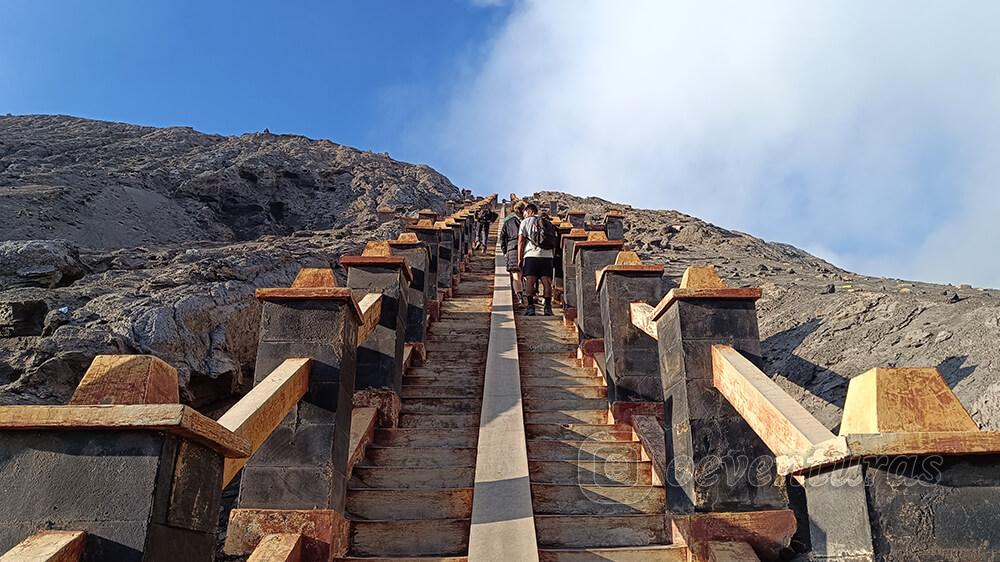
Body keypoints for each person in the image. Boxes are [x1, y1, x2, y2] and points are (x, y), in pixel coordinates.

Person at [517, 203, 555, 316]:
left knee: (530, 281)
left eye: (524, 213)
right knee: (546, 282)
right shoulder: (548, 223)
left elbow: (521, 241)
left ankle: (530, 307)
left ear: (529, 211)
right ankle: (547, 308)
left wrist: (520, 258)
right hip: (547, 256)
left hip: (531, 255)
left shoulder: (525, 222)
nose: (523, 215)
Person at [500, 201, 526, 306]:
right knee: (527, 274)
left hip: (512, 248)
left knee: (516, 275)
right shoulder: (527, 221)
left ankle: (520, 298)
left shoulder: (508, 222)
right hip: (526, 248)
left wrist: (505, 250)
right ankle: (530, 295)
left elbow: (502, 238)